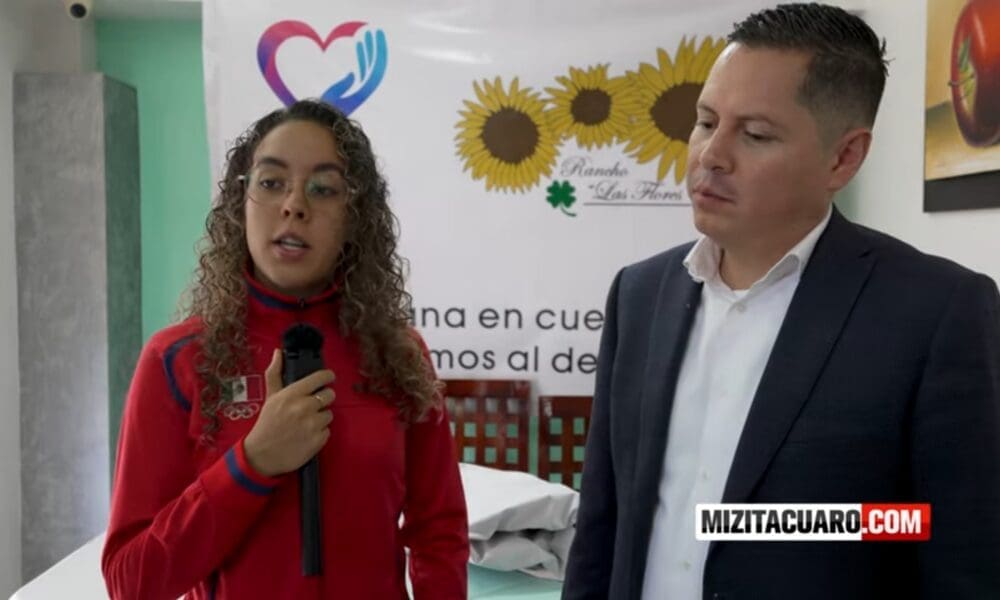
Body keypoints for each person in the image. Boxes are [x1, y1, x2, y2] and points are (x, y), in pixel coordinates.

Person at [562, 3, 1000, 599]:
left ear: (843, 157)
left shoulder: (935, 313)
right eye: (706, 121)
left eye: (756, 134)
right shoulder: (639, 295)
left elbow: (958, 551)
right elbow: (602, 525)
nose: (711, 155)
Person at [101, 99, 469, 599]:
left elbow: (439, 533)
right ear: (241, 203)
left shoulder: (400, 355)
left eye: (323, 189)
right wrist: (251, 464)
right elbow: (131, 581)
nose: (294, 205)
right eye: (271, 182)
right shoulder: (176, 360)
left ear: (355, 218)